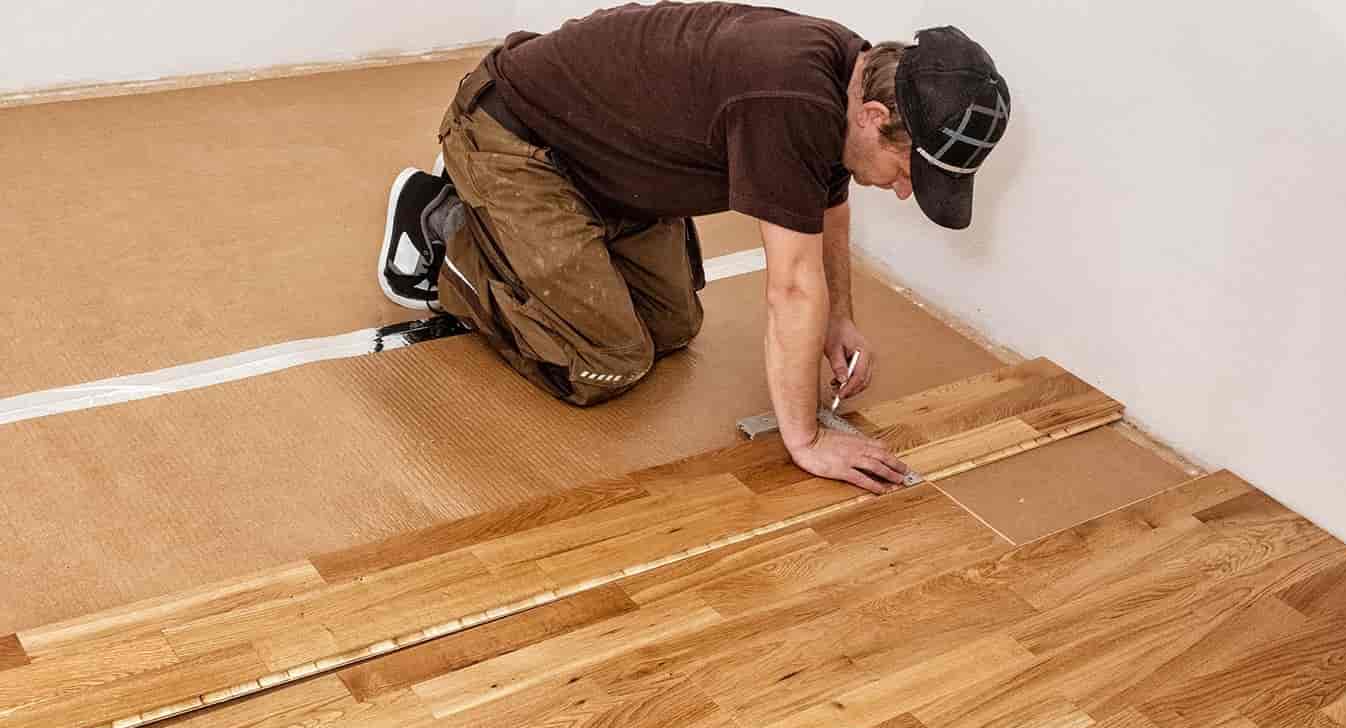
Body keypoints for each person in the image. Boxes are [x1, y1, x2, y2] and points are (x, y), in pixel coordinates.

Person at [377, 2, 1010, 494]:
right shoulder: (789, 98)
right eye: (907, 171)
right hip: (518, 135)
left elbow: (830, 202)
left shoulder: (848, 76)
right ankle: (446, 231)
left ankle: (534, 232)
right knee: (607, 361)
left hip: (608, 169)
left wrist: (840, 317)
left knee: (673, 328)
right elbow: (790, 284)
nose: (903, 192)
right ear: (873, 116)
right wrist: (806, 441)